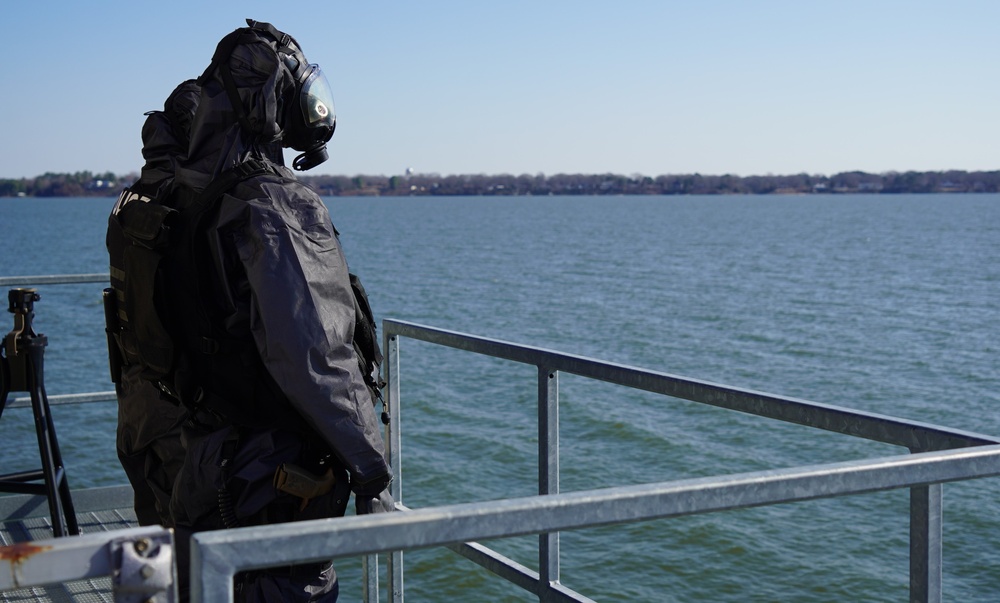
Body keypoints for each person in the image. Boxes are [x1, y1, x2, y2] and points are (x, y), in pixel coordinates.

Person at [106, 20, 393, 602]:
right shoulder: (271, 204)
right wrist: (371, 467)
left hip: (157, 438)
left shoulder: (153, 200)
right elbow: (315, 351)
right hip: (249, 470)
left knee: (163, 585)